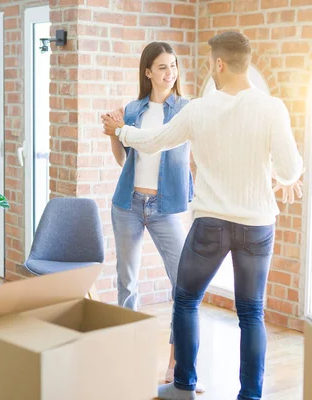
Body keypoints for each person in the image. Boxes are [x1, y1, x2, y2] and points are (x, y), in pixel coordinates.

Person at [102, 31, 304, 400]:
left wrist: (121, 131)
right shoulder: (272, 107)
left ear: (219, 64)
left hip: (210, 223)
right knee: (252, 313)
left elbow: (153, 142)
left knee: (185, 299)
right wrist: (277, 174)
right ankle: (250, 396)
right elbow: (291, 171)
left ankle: (183, 386)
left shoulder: (198, 109)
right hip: (257, 226)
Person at [106, 41, 205, 393]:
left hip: (165, 210)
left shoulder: (187, 109)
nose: (170, 73)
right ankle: (128, 355)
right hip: (128, 205)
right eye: (162, 67)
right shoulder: (134, 109)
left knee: (183, 286)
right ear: (148, 72)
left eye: (173, 66)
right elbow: (123, 160)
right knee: (127, 283)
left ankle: (178, 363)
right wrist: (114, 132)